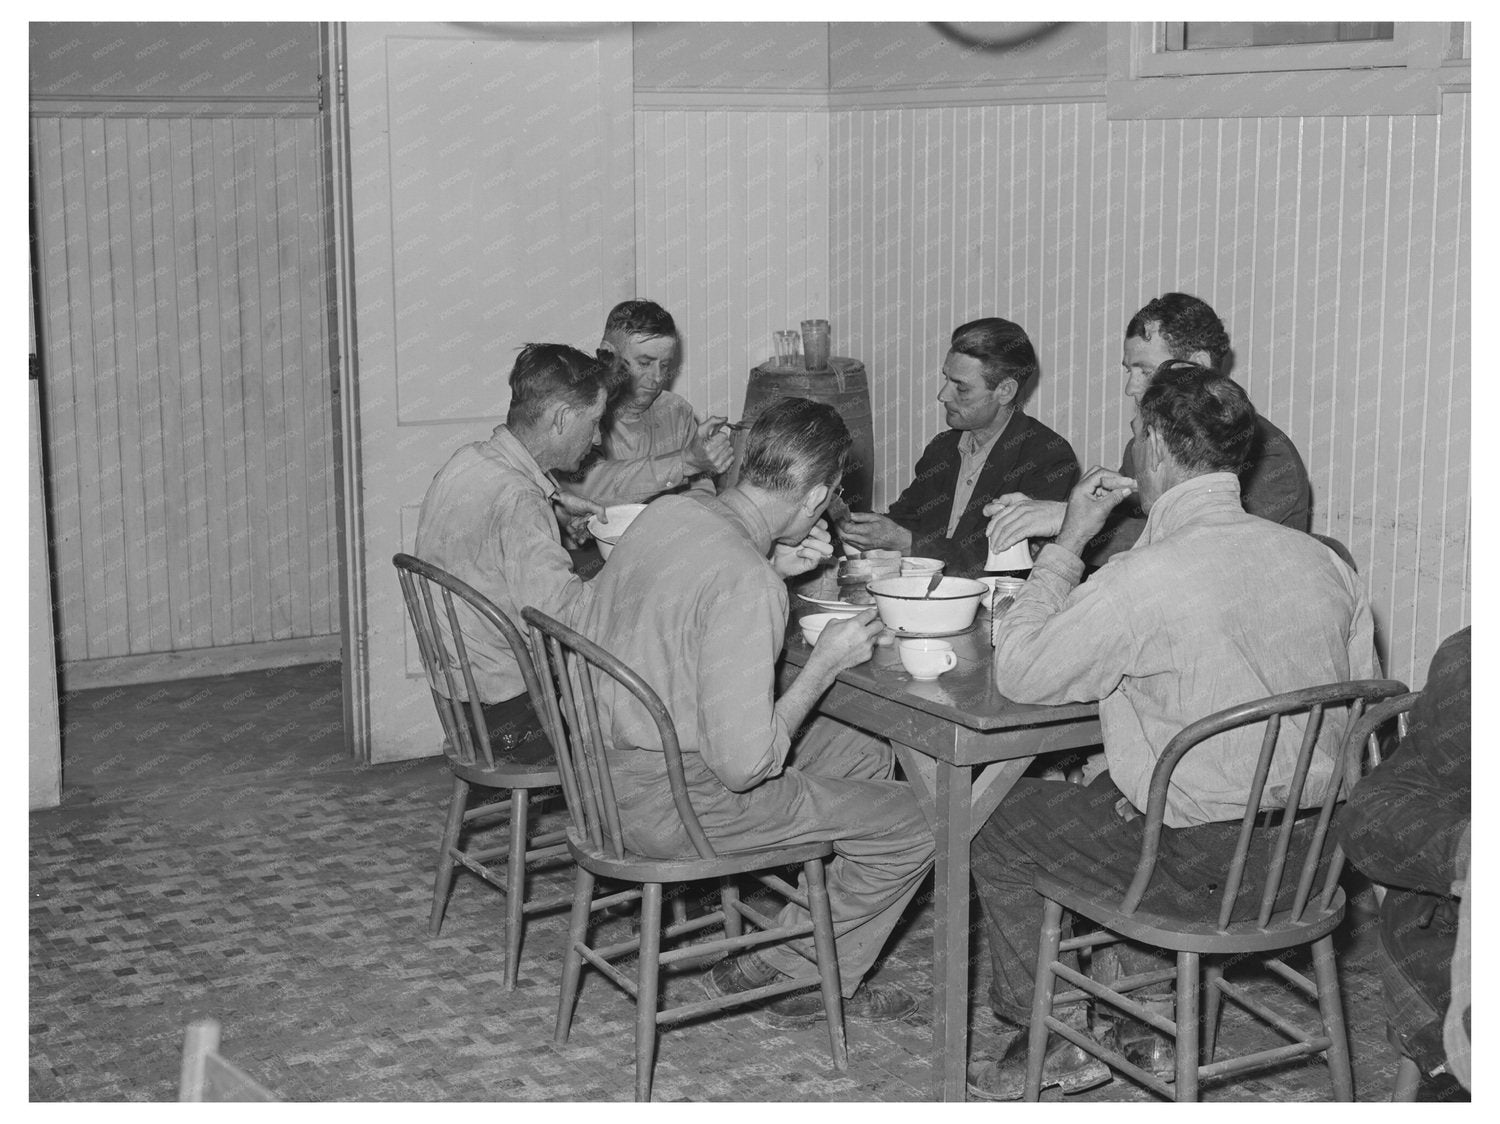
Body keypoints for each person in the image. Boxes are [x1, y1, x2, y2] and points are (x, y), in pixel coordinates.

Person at [964, 361, 1377, 1100]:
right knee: (1122, 794)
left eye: (1134, 434)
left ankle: (1059, 1034)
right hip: (1311, 862)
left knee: (999, 824)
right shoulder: (1326, 564)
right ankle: (1151, 1026)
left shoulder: (1143, 575)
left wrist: (1067, 542)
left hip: (1203, 874)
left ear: (1154, 444)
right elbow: (1352, 722)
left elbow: (1021, 672)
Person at [576, 397, 936, 1024]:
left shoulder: (672, 513)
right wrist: (825, 661)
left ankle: (794, 946)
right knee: (927, 821)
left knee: (864, 746)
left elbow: (694, 593)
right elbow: (746, 767)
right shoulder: (748, 581)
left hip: (598, 776)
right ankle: (797, 973)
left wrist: (769, 560)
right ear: (817, 496)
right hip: (675, 806)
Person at [984, 292, 1313, 569]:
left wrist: (1066, 520)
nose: (1131, 388)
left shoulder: (1266, 454)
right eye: (1129, 370)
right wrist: (1034, 520)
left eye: (1145, 370)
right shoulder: (1144, 446)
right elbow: (1120, 531)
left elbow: (1209, 556)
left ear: (1196, 366)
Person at [414, 342, 623, 740]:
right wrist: (630, 564)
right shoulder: (521, 503)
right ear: (562, 418)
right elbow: (569, 621)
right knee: (642, 718)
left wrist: (554, 503)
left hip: (462, 701)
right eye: (595, 421)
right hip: (513, 720)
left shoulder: (468, 459)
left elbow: (492, 520)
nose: (597, 438)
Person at [1337, 627, 1471, 1101]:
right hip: (1306, 825)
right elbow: (1368, 680)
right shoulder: (1333, 568)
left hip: (1271, 833)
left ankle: (1144, 1008)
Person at [836, 317, 1078, 577]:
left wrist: (907, 543)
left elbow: (1008, 565)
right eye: (946, 379)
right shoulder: (943, 448)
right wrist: (857, 525)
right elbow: (907, 519)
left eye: (960, 387)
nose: (943, 395)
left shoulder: (1048, 457)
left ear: (1005, 391)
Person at [564, 299, 734, 506]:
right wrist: (685, 462)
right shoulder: (583, 412)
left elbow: (699, 492)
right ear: (608, 353)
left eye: (664, 365)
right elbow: (591, 487)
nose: (657, 378)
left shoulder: (677, 411)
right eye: (644, 363)